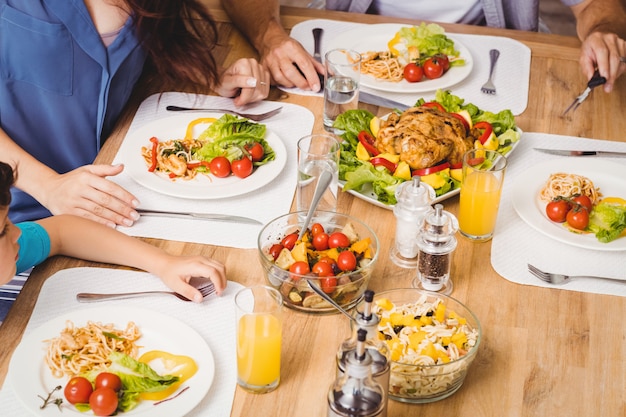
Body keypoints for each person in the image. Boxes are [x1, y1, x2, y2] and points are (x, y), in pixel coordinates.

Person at [0, 0, 271, 227]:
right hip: (17, 221)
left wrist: (211, 76)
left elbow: (156, 43)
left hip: (120, 202)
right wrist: (48, 186)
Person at [221, 0, 626, 93]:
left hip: (489, 66)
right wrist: (270, 37)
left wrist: (603, 29)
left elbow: (595, 5)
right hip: (354, 63)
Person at [0, 161, 227, 304]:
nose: (17, 233)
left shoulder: (10, 251)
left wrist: (164, 263)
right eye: (3, 230)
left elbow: (62, 231)